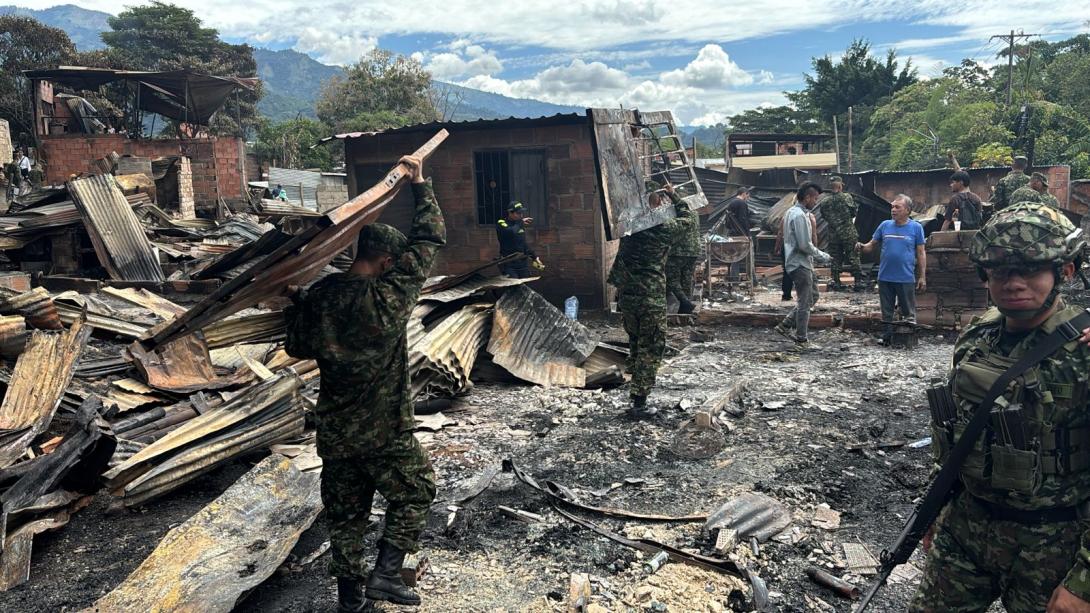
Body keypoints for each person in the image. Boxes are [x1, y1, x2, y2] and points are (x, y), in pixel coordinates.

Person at [911, 202, 1090, 613]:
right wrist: (937, 507)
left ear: (1063, 271)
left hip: (1053, 543)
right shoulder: (978, 337)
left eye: (1029, 269)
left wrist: (1083, 582)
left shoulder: (1082, 351)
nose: (1013, 282)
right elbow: (959, 432)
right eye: (1000, 271)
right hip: (968, 527)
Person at [284, 155, 443, 611]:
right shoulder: (389, 297)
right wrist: (420, 184)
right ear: (387, 260)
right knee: (415, 490)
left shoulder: (322, 297)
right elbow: (430, 237)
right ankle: (387, 576)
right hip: (385, 428)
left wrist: (297, 303)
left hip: (336, 432)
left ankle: (350, 600)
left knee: (346, 515)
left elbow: (297, 347)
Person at [608, 180, 696, 416]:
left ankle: (635, 391)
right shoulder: (661, 230)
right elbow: (687, 219)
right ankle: (639, 402)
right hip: (650, 298)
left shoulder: (628, 230)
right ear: (656, 203)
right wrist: (674, 196)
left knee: (636, 344)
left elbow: (617, 269)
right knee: (651, 346)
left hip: (629, 298)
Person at [857, 194, 926, 345]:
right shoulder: (885, 225)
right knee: (886, 312)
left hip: (905, 277)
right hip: (885, 276)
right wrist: (862, 247)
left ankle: (909, 340)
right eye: (892, 207)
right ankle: (887, 338)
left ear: (907, 210)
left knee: (908, 312)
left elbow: (921, 253)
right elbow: (871, 245)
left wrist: (922, 276)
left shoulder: (916, 228)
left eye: (897, 207)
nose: (893, 210)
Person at [773, 182, 831, 347]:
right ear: (807, 197)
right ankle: (801, 339)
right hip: (799, 264)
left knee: (814, 296)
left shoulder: (793, 212)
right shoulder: (798, 215)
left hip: (802, 263)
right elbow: (804, 245)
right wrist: (823, 256)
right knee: (805, 302)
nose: (816, 202)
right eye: (815, 198)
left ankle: (785, 325)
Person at [821, 176, 864, 291]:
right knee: (853, 256)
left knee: (835, 258)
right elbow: (853, 213)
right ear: (840, 186)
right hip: (848, 232)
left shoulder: (825, 202)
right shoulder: (847, 197)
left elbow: (824, 216)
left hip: (833, 234)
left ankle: (836, 282)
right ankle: (858, 282)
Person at [666, 191, 702, 315]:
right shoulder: (694, 212)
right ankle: (684, 308)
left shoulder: (677, 212)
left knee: (670, 277)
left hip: (679, 251)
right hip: (694, 250)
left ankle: (684, 302)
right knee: (686, 278)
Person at [495, 201, 541, 278]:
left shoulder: (519, 224)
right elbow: (512, 232)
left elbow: (523, 243)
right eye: (518, 213)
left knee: (524, 286)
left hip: (522, 263)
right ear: (510, 213)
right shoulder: (501, 223)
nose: (521, 215)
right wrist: (521, 222)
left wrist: (534, 257)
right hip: (509, 263)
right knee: (514, 286)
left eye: (522, 213)